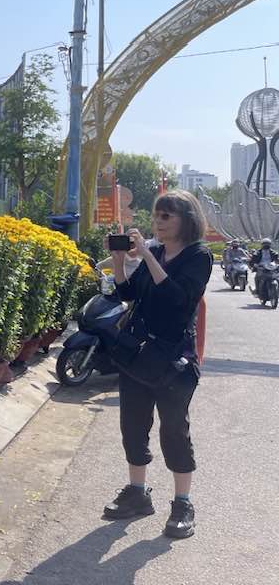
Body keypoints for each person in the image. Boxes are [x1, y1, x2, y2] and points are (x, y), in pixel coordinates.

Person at [104, 190, 213, 539]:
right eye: (156, 216)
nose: (158, 223)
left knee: (173, 432)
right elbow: (127, 294)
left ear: (186, 219)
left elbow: (178, 299)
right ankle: (137, 494)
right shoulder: (156, 251)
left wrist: (150, 257)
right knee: (133, 426)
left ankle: (182, 503)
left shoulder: (199, 256)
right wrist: (120, 261)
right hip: (139, 355)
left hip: (175, 362)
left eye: (166, 216)